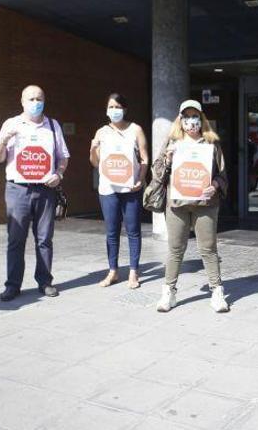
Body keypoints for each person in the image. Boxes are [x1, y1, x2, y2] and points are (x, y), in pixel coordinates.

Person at [0, 85, 70, 301]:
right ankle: (13, 285)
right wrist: (3, 139)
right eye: (31, 99)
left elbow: (63, 157)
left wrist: (59, 174)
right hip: (18, 190)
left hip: (45, 190)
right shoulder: (11, 124)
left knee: (44, 239)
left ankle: (45, 282)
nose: (36, 102)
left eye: (39, 98)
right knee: (16, 239)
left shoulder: (53, 126)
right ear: (22, 101)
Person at [151, 100, 229, 313]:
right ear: (180, 119)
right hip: (177, 204)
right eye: (186, 116)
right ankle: (169, 291)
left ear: (201, 118)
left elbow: (222, 176)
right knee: (175, 249)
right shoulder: (172, 142)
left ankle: (216, 291)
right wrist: (167, 159)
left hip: (206, 204)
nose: (191, 120)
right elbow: (157, 172)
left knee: (208, 249)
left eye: (195, 116)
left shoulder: (211, 143)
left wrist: (214, 186)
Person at [90, 93, 148, 289]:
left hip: (131, 188)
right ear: (106, 110)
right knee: (111, 232)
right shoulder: (101, 132)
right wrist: (92, 149)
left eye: (118, 107)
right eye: (111, 107)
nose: (114, 110)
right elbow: (95, 162)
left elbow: (144, 159)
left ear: (125, 109)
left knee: (133, 231)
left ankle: (133, 272)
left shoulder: (135, 129)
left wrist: (141, 179)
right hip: (108, 188)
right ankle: (112, 271)